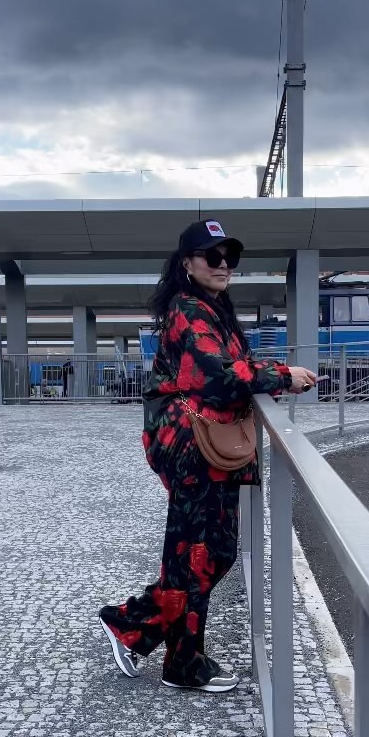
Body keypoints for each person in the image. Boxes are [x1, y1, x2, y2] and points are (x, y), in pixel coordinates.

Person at [99, 219, 316, 693]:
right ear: (187, 263)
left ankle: (136, 626)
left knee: (210, 551)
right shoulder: (189, 309)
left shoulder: (210, 308)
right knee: (198, 552)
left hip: (203, 446)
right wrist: (284, 376)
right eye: (212, 257)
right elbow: (216, 375)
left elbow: (228, 367)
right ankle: (178, 660)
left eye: (229, 257)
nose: (223, 265)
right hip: (191, 446)